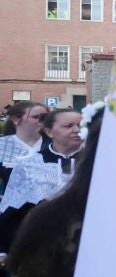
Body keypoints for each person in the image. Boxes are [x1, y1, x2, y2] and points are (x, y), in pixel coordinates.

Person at [0, 107, 84, 259]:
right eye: (68, 126)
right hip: (42, 246)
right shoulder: (30, 164)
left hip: (86, 243)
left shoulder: (98, 162)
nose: (76, 130)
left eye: (81, 125)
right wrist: (4, 248)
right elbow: (12, 209)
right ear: (49, 132)